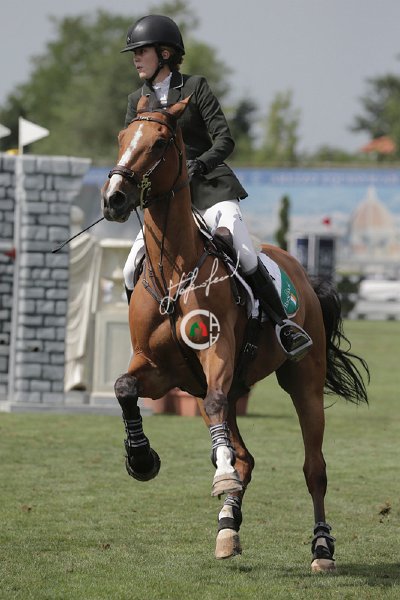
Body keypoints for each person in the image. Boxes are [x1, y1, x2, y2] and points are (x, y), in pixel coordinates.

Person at [120, 14, 312, 361]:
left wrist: (200, 163)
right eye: (134, 53)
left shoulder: (195, 88)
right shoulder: (137, 99)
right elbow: (131, 153)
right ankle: (145, 341)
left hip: (209, 189)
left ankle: (284, 325)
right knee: (130, 267)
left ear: (165, 54)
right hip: (165, 203)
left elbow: (225, 140)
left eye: (141, 51)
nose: (135, 59)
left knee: (244, 251)